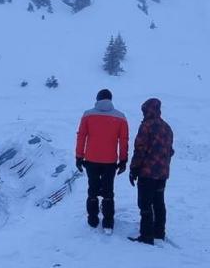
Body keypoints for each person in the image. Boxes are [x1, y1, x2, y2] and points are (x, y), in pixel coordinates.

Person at [75, 89, 130, 233]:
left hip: (91, 159)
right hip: (110, 161)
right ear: (110, 99)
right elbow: (123, 141)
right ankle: (108, 223)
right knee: (108, 191)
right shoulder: (121, 117)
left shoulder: (88, 115)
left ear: (97, 99)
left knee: (92, 190)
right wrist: (123, 160)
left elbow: (81, 136)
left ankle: (93, 219)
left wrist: (78, 157)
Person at [128, 99, 175, 245]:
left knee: (145, 204)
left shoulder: (146, 126)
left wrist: (133, 169)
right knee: (159, 203)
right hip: (162, 174)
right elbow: (170, 151)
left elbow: (140, 150)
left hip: (147, 173)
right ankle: (159, 232)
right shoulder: (167, 128)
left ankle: (146, 235)